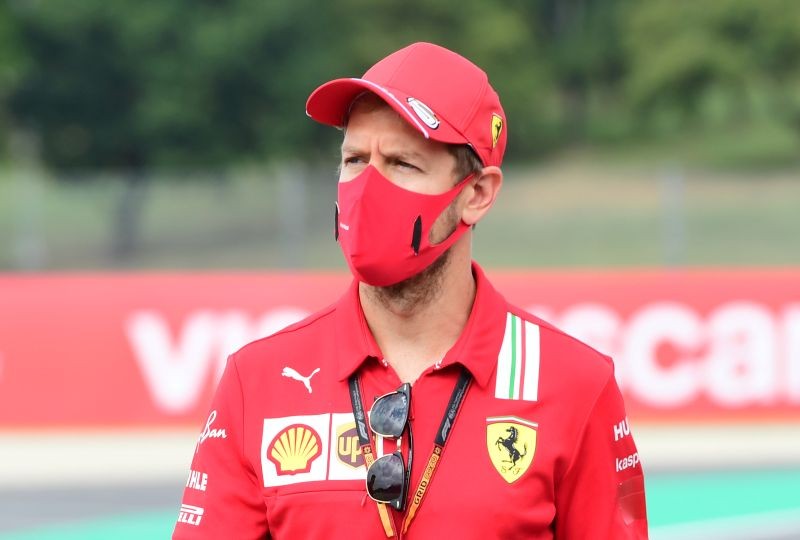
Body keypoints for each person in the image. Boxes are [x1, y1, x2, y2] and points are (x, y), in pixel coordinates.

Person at [173, 41, 648, 539]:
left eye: (402, 164)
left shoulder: (574, 384)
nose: (367, 187)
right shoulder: (258, 381)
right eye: (355, 159)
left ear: (477, 195)